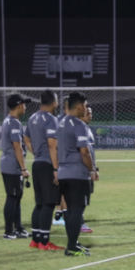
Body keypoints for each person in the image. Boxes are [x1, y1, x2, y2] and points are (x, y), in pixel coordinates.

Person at [57, 92, 99, 256]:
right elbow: (85, 153)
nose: (86, 109)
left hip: (63, 173)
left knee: (69, 210)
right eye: (85, 105)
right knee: (76, 210)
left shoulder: (61, 123)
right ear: (80, 106)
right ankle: (72, 247)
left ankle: (73, 243)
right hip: (77, 174)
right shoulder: (79, 125)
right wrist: (92, 170)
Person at [24, 89, 64, 250]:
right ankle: (45, 242)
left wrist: (36, 152)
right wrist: (56, 168)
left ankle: (35, 240)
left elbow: (26, 138)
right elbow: (52, 145)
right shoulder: (51, 120)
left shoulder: (32, 118)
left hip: (37, 164)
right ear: (55, 103)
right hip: (48, 165)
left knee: (39, 204)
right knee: (48, 204)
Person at [0, 94, 32, 239]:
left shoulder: (8, 120)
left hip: (9, 164)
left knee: (17, 196)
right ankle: (8, 231)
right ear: (19, 105)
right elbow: (17, 147)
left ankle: (18, 228)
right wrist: (24, 168)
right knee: (12, 196)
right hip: (12, 165)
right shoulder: (14, 123)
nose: (25, 107)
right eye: (24, 105)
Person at [79, 105, 97, 234]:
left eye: (90, 113)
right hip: (81, 170)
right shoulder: (79, 128)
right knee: (80, 199)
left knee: (85, 198)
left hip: (88, 168)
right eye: (87, 113)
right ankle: (79, 223)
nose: (90, 115)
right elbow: (84, 152)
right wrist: (91, 170)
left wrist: (94, 167)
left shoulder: (87, 128)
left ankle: (79, 221)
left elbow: (90, 151)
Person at [54, 95, 70, 226]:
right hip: (63, 158)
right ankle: (62, 214)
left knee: (60, 187)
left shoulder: (56, 119)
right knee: (65, 187)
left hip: (57, 157)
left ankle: (58, 213)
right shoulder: (67, 121)